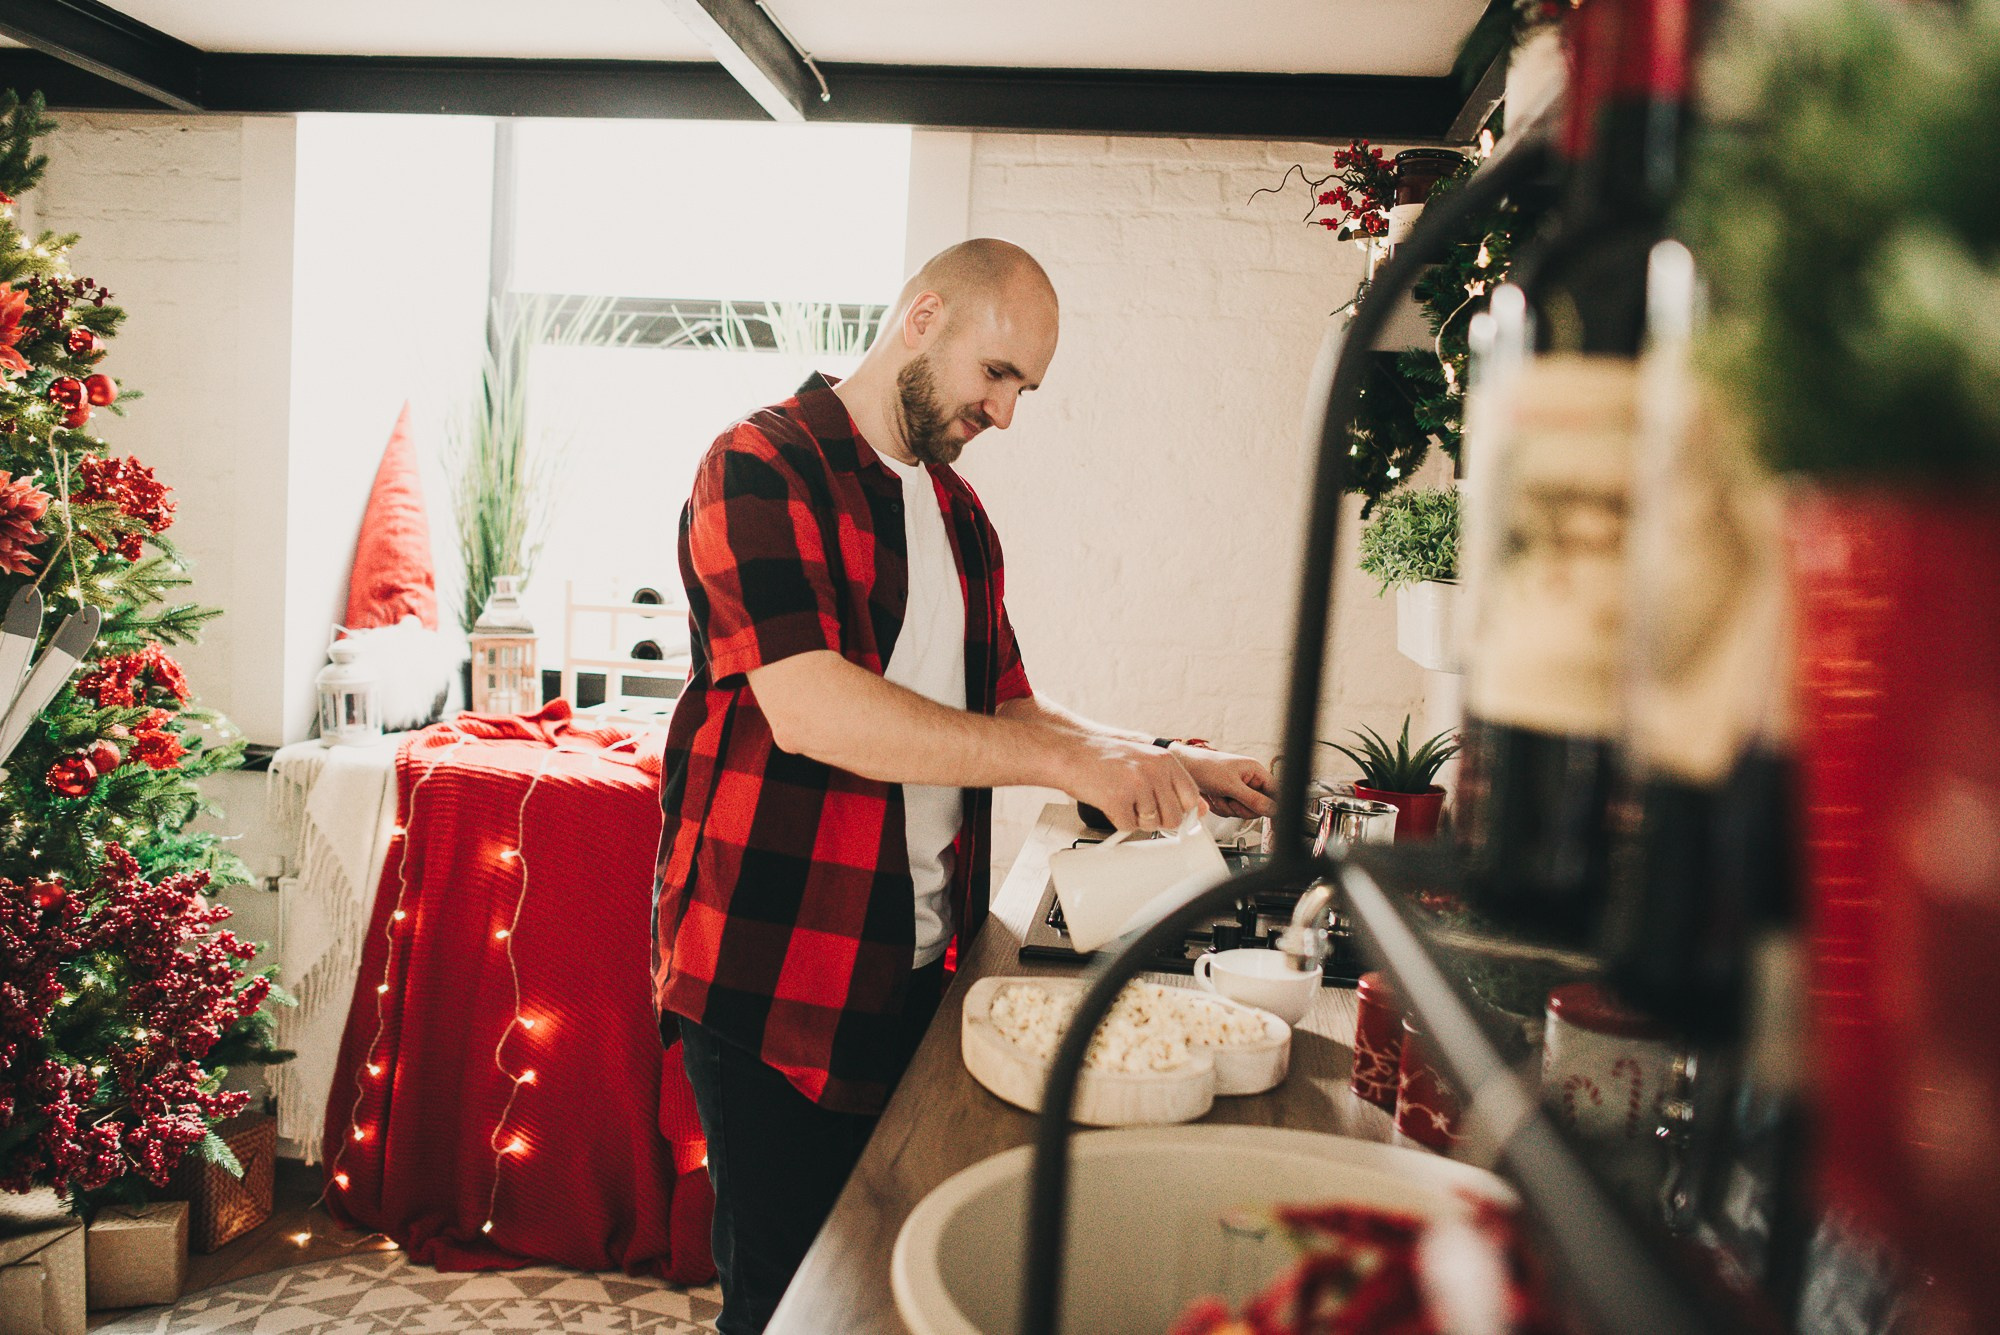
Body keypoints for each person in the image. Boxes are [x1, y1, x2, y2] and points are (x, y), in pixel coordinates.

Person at [652, 238, 1276, 1334]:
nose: (1005, 413)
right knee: (787, 1302)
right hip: (772, 967)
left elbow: (1011, 710)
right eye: (996, 375)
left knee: (882, 1284)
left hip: (912, 965)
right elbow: (811, 710)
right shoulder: (758, 464)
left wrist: (1166, 758)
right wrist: (1062, 765)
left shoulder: (956, 513)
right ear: (924, 315)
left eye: (1024, 389)